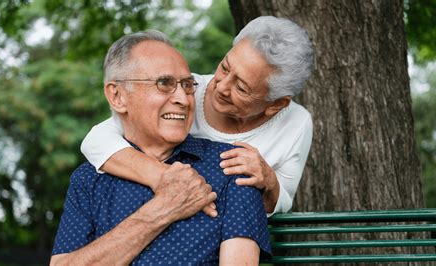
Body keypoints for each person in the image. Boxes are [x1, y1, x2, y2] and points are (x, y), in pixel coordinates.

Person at [51, 30, 270, 265]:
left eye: (187, 85)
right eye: (164, 83)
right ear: (117, 96)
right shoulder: (88, 180)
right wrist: (162, 209)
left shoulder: (231, 166)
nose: (184, 100)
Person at [81, 16, 315, 215]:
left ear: (276, 104)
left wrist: (269, 181)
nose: (221, 86)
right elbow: (96, 140)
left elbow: (283, 199)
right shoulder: (183, 91)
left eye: (241, 88)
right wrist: (165, 177)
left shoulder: (296, 122)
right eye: (225, 67)